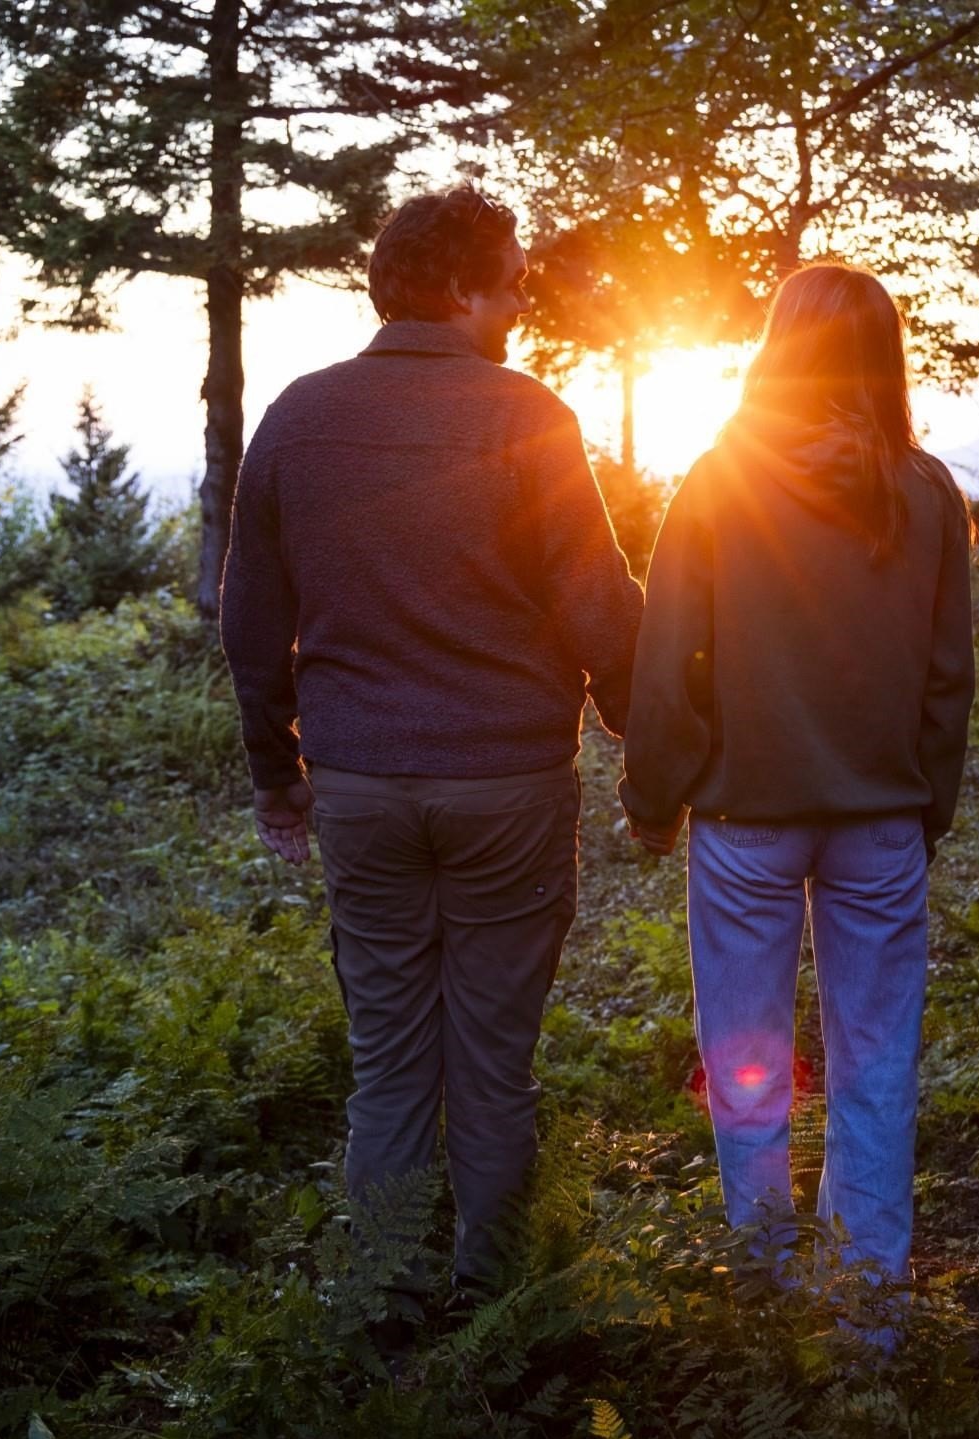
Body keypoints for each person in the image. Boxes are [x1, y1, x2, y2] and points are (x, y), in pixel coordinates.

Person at [219, 182, 644, 1293]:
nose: (521, 301)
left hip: (359, 787)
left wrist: (278, 774)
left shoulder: (298, 416)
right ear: (458, 286)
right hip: (507, 786)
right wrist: (646, 734)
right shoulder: (528, 415)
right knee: (493, 1068)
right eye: (510, 282)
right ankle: (495, 1314)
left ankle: (386, 1307)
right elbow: (599, 609)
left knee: (390, 1066)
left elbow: (251, 621)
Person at [619, 262, 975, 1284]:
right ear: (882, 360)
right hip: (882, 822)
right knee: (877, 1068)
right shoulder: (926, 494)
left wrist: (654, 801)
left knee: (748, 1074)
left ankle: (765, 1296)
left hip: (745, 820)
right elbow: (948, 679)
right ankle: (870, 1312)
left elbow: (670, 659)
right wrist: (924, 812)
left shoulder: (719, 480)